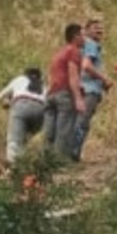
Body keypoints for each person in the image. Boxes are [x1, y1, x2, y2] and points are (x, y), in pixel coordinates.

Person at [43, 24, 86, 160]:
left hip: (51, 94)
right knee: (64, 132)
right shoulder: (73, 51)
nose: (85, 39)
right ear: (76, 37)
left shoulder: (59, 52)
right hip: (64, 94)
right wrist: (78, 99)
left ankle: (46, 161)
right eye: (83, 35)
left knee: (49, 133)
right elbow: (73, 74)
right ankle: (60, 163)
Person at [72, 19, 112, 162]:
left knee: (77, 121)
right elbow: (87, 66)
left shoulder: (80, 46)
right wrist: (104, 79)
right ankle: (73, 154)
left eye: (101, 28)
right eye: (95, 28)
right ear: (86, 30)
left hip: (79, 87)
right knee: (82, 122)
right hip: (89, 90)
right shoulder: (91, 44)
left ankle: (70, 152)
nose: (99, 30)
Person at [0, 68, 46, 164]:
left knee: (14, 140)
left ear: (25, 74)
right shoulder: (43, 86)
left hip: (21, 106)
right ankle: (28, 162)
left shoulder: (20, 79)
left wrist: (7, 103)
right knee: (26, 139)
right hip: (41, 110)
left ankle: (13, 166)